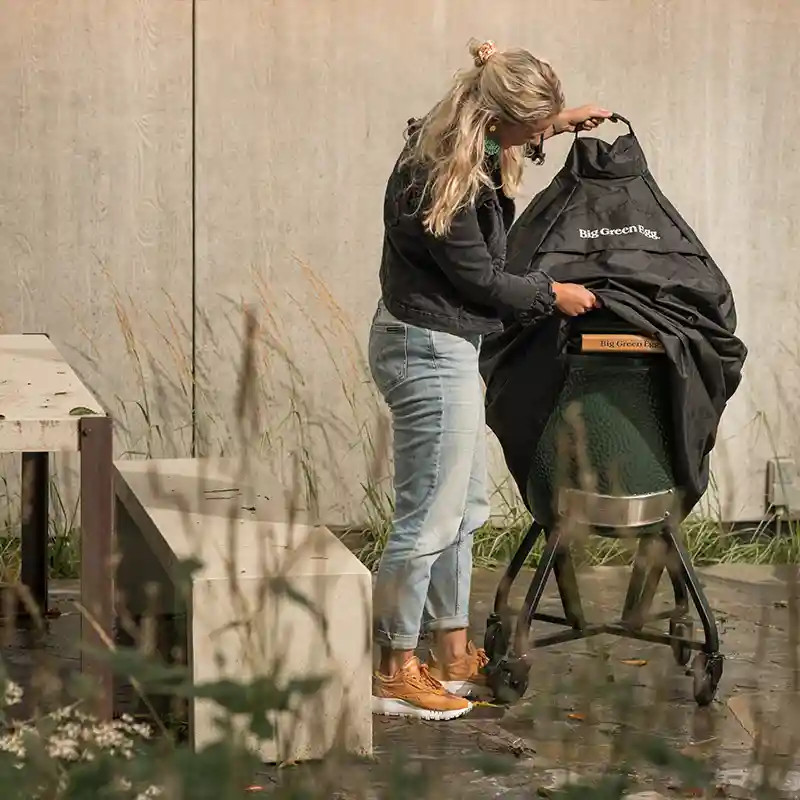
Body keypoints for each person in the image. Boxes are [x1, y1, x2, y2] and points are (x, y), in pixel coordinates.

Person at [369, 38, 611, 720]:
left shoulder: (460, 132)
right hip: (426, 347)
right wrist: (551, 294)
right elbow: (482, 279)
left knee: (463, 509)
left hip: (442, 343)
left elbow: (505, 128)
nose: (535, 141)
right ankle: (392, 667)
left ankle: (451, 653)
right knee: (427, 518)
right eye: (531, 130)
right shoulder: (444, 174)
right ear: (496, 120)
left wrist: (560, 123)